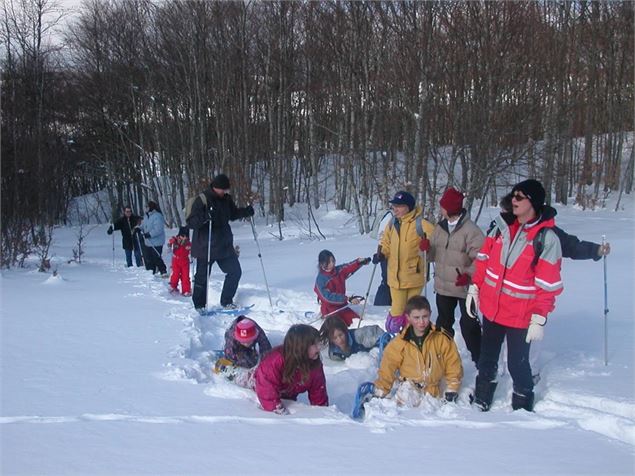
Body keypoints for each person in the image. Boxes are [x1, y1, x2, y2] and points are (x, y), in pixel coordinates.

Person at [468, 179, 563, 412]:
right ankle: (482, 398)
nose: (514, 200)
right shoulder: (499, 227)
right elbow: (483, 261)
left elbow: (547, 284)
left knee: (517, 365)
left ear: (533, 202)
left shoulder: (546, 239)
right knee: (487, 358)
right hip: (492, 308)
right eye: (513, 195)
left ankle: (521, 406)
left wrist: (539, 318)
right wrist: (474, 287)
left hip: (521, 316)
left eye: (520, 197)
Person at [428, 187, 484, 367]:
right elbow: (432, 255)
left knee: (469, 326)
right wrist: (426, 249)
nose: (440, 209)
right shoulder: (440, 227)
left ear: (451, 208)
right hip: (443, 286)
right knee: (443, 324)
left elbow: (482, 259)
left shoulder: (471, 231)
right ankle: (442, 357)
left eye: (443, 206)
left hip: (465, 287)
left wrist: (469, 276)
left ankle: (479, 360)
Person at [372, 295, 463, 406]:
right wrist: (381, 388)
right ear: (408, 317)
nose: (421, 322)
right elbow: (388, 366)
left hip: (433, 389)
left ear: (430, 313)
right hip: (409, 386)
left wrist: (452, 388)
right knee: (403, 407)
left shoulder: (441, 338)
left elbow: (453, 363)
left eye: (425, 316)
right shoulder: (400, 342)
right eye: (416, 318)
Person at [186, 174, 255, 312]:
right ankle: (199, 305)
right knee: (202, 278)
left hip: (224, 246)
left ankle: (226, 301)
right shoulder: (202, 200)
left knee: (235, 271)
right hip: (206, 247)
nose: (225, 192)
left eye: (226, 190)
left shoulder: (226, 199)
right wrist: (205, 217)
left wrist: (245, 212)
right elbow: (191, 222)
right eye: (222, 190)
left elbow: (233, 214)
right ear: (215, 187)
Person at [372, 191, 434, 333]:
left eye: (399, 206)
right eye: (394, 205)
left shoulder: (421, 224)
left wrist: (428, 246)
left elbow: (437, 242)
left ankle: (412, 336)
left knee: (413, 311)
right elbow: (386, 243)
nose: (395, 209)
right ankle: (394, 336)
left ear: (408, 207)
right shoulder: (392, 223)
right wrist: (381, 255)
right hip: (395, 277)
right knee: (397, 310)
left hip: (414, 276)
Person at [495, 193, 611, 260]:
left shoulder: (542, 233)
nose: (502, 215)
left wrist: (595, 250)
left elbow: (570, 246)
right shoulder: (498, 228)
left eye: (506, 211)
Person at [254, 324, 328, 414]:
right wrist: (278, 410)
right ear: (301, 347)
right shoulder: (274, 361)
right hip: (258, 382)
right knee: (244, 379)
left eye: (318, 343)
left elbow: (318, 393)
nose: (319, 347)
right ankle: (234, 374)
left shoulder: (315, 365)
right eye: (315, 344)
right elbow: (266, 389)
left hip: (288, 392)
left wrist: (322, 413)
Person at [313, 250, 371, 326]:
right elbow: (328, 298)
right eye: (328, 262)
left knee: (358, 323)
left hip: (343, 307)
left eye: (333, 261)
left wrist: (359, 262)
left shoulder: (337, 271)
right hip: (330, 311)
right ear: (322, 264)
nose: (332, 264)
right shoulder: (321, 280)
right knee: (339, 328)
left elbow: (348, 267)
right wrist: (347, 299)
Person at [214, 316, 272, 388]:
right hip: (237, 346)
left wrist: (266, 365)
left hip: (248, 342)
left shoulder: (258, 331)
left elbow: (266, 348)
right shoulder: (231, 338)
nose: (246, 343)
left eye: (249, 341)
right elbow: (230, 356)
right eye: (244, 342)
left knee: (257, 361)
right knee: (244, 364)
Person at [319, 316, 386, 361]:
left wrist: (376, 351)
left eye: (341, 335)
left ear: (345, 331)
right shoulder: (331, 352)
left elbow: (381, 335)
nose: (339, 340)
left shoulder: (358, 335)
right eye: (335, 338)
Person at [370, 208, 394, 306]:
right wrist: (380, 253)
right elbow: (382, 239)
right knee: (387, 279)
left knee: (387, 279)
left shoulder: (389, 217)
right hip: (386, 253)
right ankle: (382, 304)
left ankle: (384, 303)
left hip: (388, 253)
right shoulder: (389, 218)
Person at [141, 201, 168, 277]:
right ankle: (152, 272)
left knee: (156, 257)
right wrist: (139, 228)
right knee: (149, 258)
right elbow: (143, 225)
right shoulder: (146, 216)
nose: (145, 209)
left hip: (157, 242)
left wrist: (149, 234)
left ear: (151, 208)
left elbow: (158, 229)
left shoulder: (157, 216)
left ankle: (163, 270)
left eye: (147, 207)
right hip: (148, 242)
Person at [167, 226, 192, 296]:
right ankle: (173, 286)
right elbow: (170, 242)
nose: (184, 238)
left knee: (185, 276)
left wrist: (191, 250)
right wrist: (172, 242)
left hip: (185, 261)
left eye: (185, 236)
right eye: (182, 236)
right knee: (176, 274)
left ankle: (186, 290)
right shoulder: (175, 241)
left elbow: (192, 249)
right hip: (176, 260)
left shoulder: (188, 243)